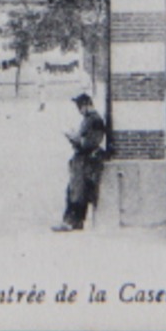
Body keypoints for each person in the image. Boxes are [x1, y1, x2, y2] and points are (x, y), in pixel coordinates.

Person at [53, 92, 107, 231]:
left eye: (80, 106)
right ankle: (74, 222)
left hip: (85, 161)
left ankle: (72, 222)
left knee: (77, 192)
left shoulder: (94, 120)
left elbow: (91, 142)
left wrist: (74, 138)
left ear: (87, 105)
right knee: (75, 191)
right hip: (82, 160)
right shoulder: (90, 119)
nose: (79, 109)